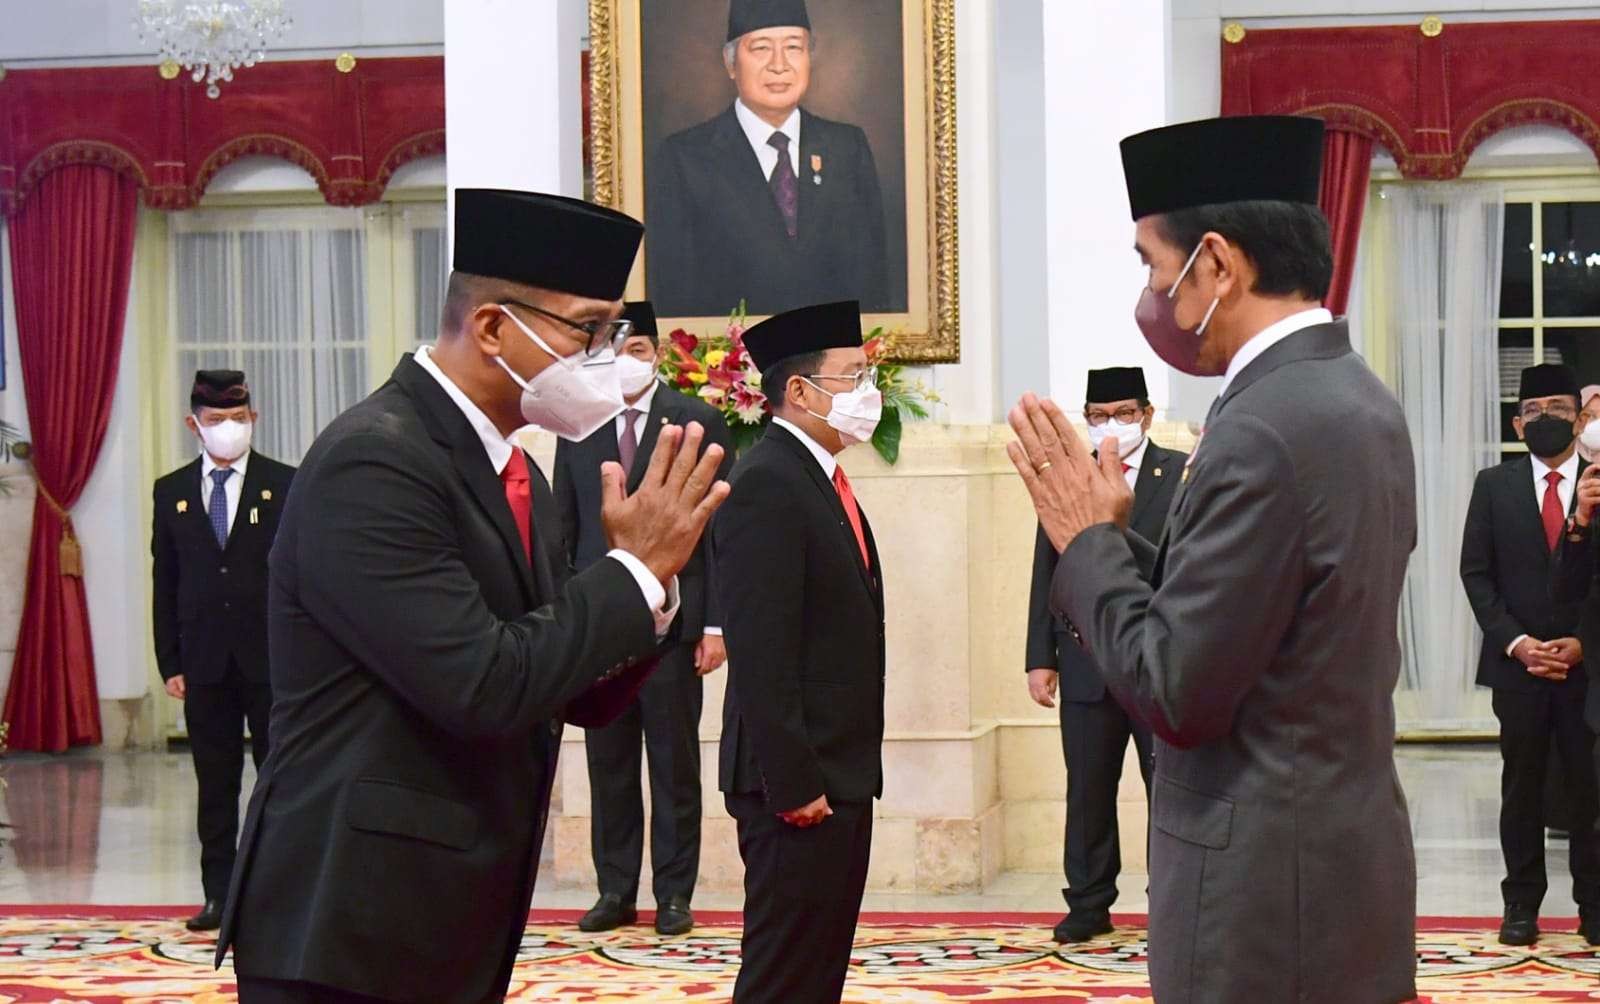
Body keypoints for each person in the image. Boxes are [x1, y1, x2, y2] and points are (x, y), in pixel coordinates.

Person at [213, 189, 731, 1004]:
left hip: (444, 907)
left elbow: (558, 671)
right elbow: (484, 684)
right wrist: (632, 573)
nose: (606, 356)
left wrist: (652, 583)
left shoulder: (513, 465)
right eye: (588, 331)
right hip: (349, 922)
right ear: (493, 327)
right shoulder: (376, 462)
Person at [1006, 115, 1418, 1002]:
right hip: (1336, 857)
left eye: (1154, 266)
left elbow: (1177, 690)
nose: (1152, 295)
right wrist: (1122, 538)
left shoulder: (1263, 425)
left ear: (1219, 265)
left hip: (1266, 894)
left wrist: (1084, 545)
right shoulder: (1351, 394)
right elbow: (1269, 599)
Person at [713, 300, 886, 1003]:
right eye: (852, 376)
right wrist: (794, 783)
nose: (867, 391)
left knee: (818, 974)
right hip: (796, 787)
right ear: (800, 392)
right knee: (783, 978)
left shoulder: (817, 477)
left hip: (839, 774)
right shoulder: (768, 484)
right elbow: (761, 650)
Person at [553, 300, 736, 937]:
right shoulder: (578, 427)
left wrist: (715, 627)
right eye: (610, 353)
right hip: (601, 627)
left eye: (632, 353)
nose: (622, 366)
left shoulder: (697, 420)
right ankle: (614, 889)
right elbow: (563, 531)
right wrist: (563, 622)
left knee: (674, 761)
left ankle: (675, 893)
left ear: (654, 355)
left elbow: (718, 537)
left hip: (674, 627)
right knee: (608, 762)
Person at [1023, 365, 1182, 944]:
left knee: (1167, 785)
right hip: (1087, 662)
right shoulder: (1073, 481)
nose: (1109, 425)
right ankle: (1088, 901)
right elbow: (1048, 569)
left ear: (1146, 414)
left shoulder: (1180, 474)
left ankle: (1168, 899)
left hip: (1156, 656)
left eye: (1122, 413)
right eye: (1097, 416)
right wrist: (1040, 656)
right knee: (1088, 788)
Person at [151, 370, 295, 933]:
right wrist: (171, 661)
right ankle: (219, 896)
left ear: (253, 419)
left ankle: (278, 893)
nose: (228, 430)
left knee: (278, 777)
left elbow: (298, 576)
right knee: (215, 784)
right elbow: (167, 579)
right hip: (204, 662)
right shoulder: (173, 491)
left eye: (238, 419)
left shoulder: (284, 484)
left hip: (270, 661)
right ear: (194, 425)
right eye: (216, 422)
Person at [1465, 362, 1600, 947]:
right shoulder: (1492, 486)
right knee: (1520, 788)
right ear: (1519, 424)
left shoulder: (1599, 482)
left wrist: (1583, 642)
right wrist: (1518, 644)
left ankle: (1594, 906)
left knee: (1588, 789)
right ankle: (1520, 906)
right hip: (1518, 667)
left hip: (1585, 669)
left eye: (1561, 409)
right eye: (1536, 411)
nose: (1549, 419)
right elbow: (1477, 575)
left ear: (1581, 419)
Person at [646, 0, 892, 317]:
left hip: (831, 361)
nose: (779, 65)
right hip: (727, 359)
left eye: (793, 47)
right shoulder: (684, 158)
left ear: (809, 58)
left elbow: (872, 282)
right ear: (731, 63)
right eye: (761, 48)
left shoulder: (847, 148)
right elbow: (674, 294)